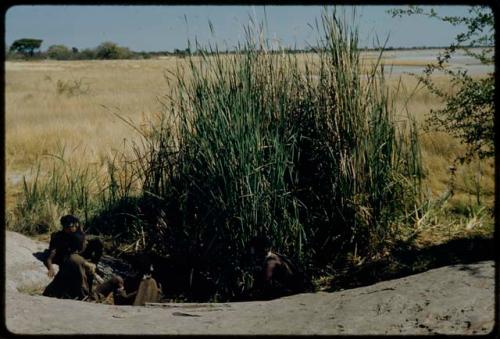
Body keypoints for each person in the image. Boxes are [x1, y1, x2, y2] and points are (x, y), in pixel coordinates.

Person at [42, 215, 99, 300]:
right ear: (64, 227)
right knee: (76, 260)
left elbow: (82, 245)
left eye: (74, 225)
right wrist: (50, 268)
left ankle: (92, 268)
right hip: (68, 260)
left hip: (79, 256)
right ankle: (85, 294)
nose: (73, 228)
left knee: (97, 243)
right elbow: (50, 257)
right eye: (69, 227)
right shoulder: (59, 237)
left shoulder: (78, 233)